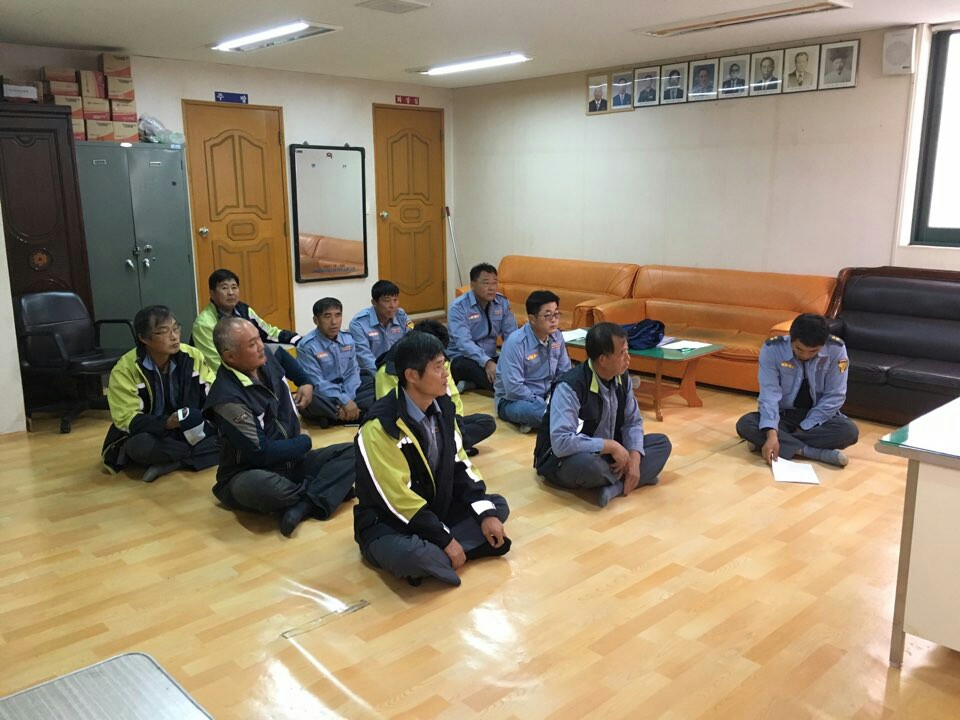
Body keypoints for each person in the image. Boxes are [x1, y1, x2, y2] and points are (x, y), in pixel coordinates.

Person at [354, 332, 512, 587]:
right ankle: (444, 551)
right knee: (412, 556)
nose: (446, 374)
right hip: (391, 521)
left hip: (436, 506)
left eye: (444, 365)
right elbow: (398, 499)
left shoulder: (444, 406)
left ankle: (440, 557)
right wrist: (444, 539)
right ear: (412, 375)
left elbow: (461, 464)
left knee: (496, 507)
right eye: (438, 368)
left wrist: (486, 515)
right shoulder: (381, 426)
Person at [203, 317, 355, 537]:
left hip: (294, 461)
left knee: (355, 451)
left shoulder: (266, 355)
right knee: (265, 488)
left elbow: (283, 356)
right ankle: (324, 491)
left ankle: (303, 503)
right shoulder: (227, 398)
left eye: (258, 339)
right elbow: (260, 453)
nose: (260, 346)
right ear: (230, 357)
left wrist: (306, 382)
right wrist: (304, 442)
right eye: (251, 344)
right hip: (251, 472)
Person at [533, 323, 672, 508]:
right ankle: (633, 479)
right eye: (622, 353)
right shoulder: (570, 387)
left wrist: (634, 459)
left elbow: (632, 422)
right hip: (566, 458)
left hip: (609, 455)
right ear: (603, 360)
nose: (628, 358)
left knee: (661, 443)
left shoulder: (623, 378)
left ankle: (616, 486)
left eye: (627, 350)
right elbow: (561, 442)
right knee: (589, 466)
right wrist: (610, 446)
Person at [102, 305, 219, 483]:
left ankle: (174, 463)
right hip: (154, 432)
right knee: (139, 446)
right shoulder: (125, 369)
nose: (174, 336)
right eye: (164, 331)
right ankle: (195, 455)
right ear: (143, 338)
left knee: (231, 432)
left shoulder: (192, 356)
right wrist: (167, 423)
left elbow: (213, 393)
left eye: (176, 328)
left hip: (188, 426)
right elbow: (126, 418)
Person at [736, 314, 859, 468]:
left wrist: (804, 426)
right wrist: (772, 433)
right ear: (791, 339)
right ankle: (813, 452)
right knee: (746, 424)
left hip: (818, 418)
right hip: (783, 415)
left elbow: (835, 396)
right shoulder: (772, 349)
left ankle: (770, 442)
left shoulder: (836, 349)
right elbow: (769, 394)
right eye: (799, 349)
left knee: (849, 432)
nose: (805, 355)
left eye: (813, 351)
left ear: (823, 344)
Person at [375, 320, 496, 456]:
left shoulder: (441, 361)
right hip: (411, 430)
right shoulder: (388, 371)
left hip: (440, 420)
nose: (445, 372)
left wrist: (454, 422)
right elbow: (390, 416)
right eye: (438, 366)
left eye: (442, 363)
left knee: (486, 422)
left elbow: (452, 396)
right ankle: (448, 447)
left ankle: (451, 446)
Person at [191, 269, 302, 373]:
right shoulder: (204, 324)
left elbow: (268, 332)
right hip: (220, 378)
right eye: (224, 288)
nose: (231, 292)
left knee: (274, 350)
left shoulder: (243, 310)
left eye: (234, 287)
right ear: (212, 293)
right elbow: (215, 364)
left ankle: (305, 382)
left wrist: (296, 339)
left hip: (246, 363)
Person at [494, 290, 571, 432]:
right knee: (536, 412)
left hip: (548, 396)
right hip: (515, 401)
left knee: (582, 400)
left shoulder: (557, 336)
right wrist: (543, 403)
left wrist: (558, 395)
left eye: (556, 314)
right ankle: (547, 419)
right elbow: (514, 388)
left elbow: (564, 373)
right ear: (532, 319)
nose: (554, 320)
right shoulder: (516, 342)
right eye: (547, 315)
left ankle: (541, 421)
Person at [297, 297, 375, 427]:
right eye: (327, 316)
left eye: (338, 315)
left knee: (372, 382)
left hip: (348, 389)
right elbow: (316, 381)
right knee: (308, 398)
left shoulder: (348, 339)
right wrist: (344, 400)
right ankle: (358, 415)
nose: (334, 322)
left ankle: (334, 417)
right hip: (324, 392)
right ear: (316, 320)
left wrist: (348, 398)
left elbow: (352, 372)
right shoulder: (307, 346)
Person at [447, 262, 518, 393]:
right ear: (473, 285)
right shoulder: (458, 307)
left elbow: (512, 335)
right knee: (469, 368)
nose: (492, 288)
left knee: (517, 366)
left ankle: (473, 383)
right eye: (486, 283)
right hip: (463, 357)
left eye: (494, 283)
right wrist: (487, 362)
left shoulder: (501, 303)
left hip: (491, 355)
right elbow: (464, 343)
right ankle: (506, 390)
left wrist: (512, 357)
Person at [348, 279, 412, 373]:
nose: (392, 305)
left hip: (399, 370)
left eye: (395, 300)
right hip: (372, 373)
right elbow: (364, 358)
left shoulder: (402, 316)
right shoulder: (358, 324)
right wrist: (385, 374)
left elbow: (413, 340)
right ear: (374, 302)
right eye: (387, 301)